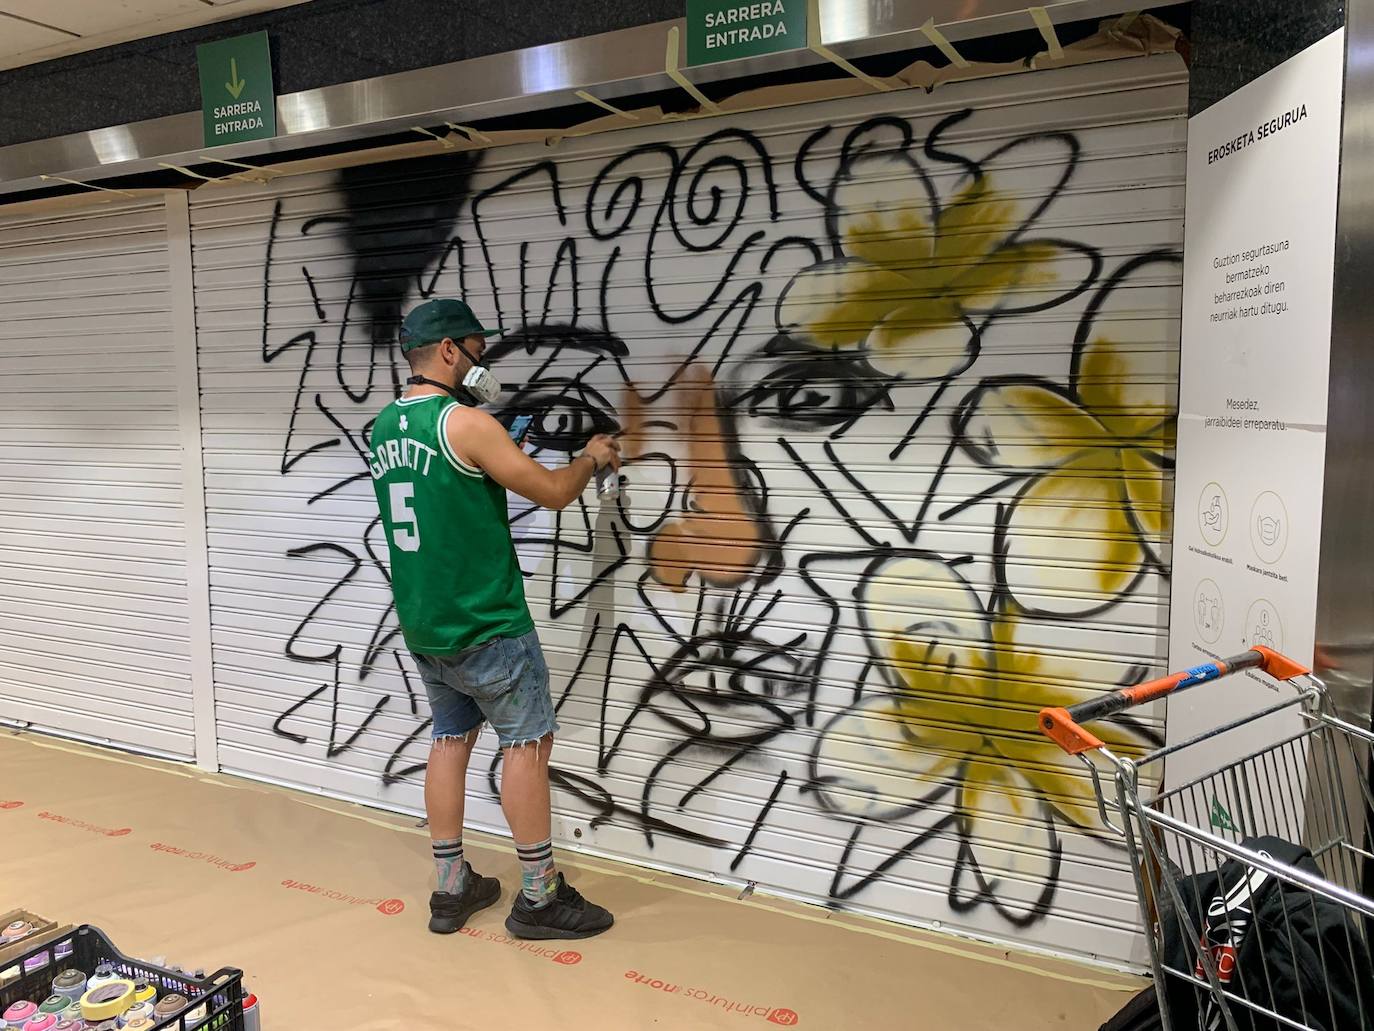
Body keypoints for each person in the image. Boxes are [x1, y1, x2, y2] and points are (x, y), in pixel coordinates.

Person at [367, 298, 621, 939]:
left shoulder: (384, 428)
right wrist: (592, 456)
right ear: (449, 350)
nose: (486, 360)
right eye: (478, 346)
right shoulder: (466, 425)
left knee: (449, 742)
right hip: (488, 623)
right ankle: (538, 895)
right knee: (527, 745)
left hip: (426, 624)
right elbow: (555, 494)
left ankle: (451, 887)